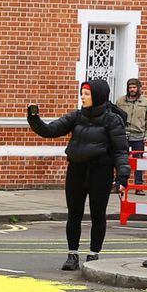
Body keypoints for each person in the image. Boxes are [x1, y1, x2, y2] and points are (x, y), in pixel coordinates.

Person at [27, 81, 130, 271]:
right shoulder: (77, 116)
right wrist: (34, 119)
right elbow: (51, 130)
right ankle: (72, 255)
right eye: (82, 93)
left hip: (100, 171)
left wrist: (122, 177)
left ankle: (93, 255)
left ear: (97, 96)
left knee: (98, 215)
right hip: (76, 169)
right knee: (74, 214)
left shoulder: (112, 120)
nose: (82, 97)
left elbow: (121, 151)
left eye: (86, 94)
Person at [118, 77, 147, 183]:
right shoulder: (120, 101)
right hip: (123, 135)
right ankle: (120, 182)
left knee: (139, 161)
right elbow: (115, 118)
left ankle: (139, 184)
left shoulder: (146, 103)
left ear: (138, 88)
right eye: (130, 87)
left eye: (134, 87)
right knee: (121, 160)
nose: (132, 89)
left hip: (138, 136)